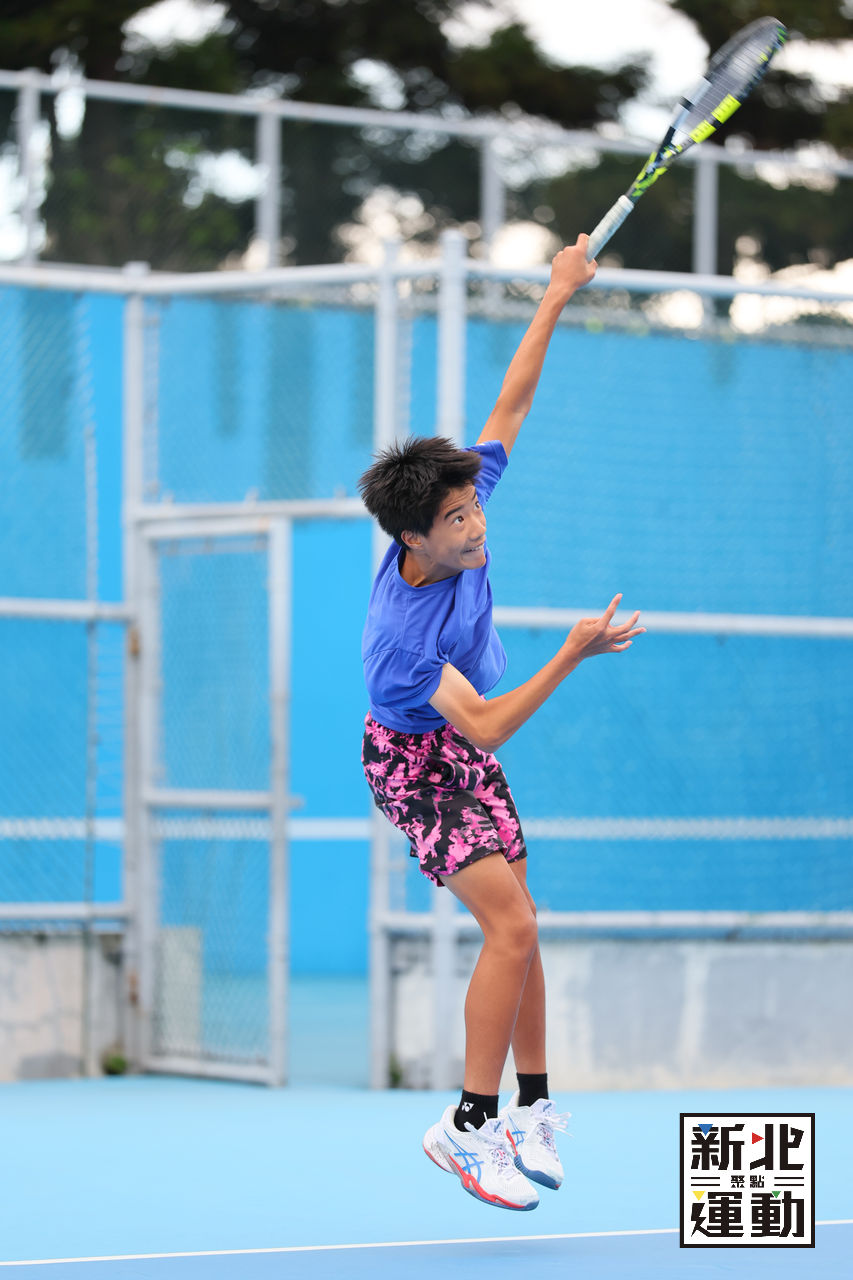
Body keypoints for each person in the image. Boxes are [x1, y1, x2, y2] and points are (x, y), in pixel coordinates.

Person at [358, 233, 645, 1212]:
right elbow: (482, 728)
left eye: (472, 506)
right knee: (510, 925)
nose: (475, 523)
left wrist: (557, 292)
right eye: (455, 521)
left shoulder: (460, 502)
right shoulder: (403, 637)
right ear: (413, 538)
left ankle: (532, 1107)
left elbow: (510, 404)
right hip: (413, 763)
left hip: (455, 745)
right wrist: (571, 652)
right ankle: (467, 1126)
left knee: (523, 925)